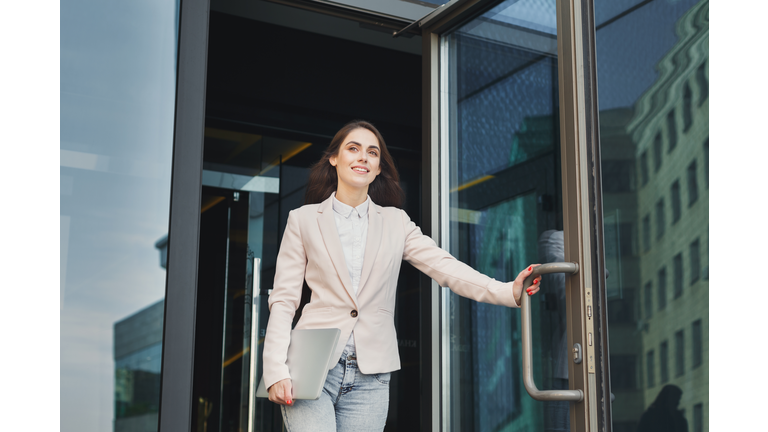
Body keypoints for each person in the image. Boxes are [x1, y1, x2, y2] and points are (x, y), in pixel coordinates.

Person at [262, 120, 542, 432]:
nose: (362, 157)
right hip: (311, 366)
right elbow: (284, 300)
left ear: (379, 167)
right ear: (334, 158)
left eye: (372, 152)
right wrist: (275, 369)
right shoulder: (302, 221)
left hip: (371, 375)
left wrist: (507, 290)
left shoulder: (396, 222)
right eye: (353, 149)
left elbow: (444, 266)